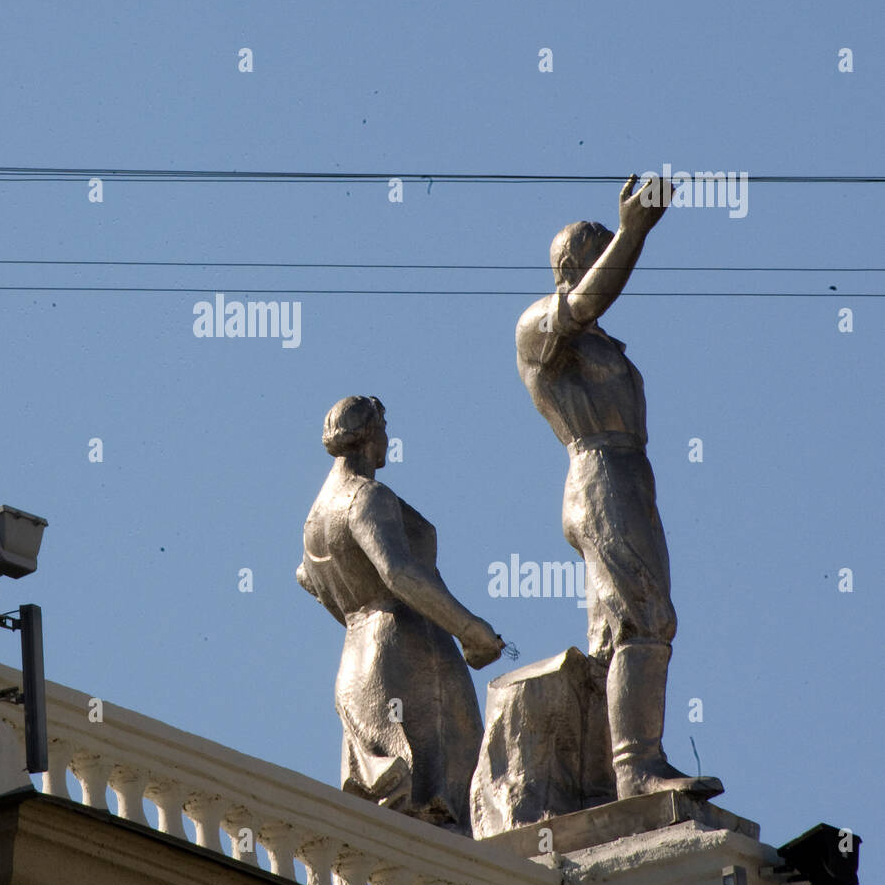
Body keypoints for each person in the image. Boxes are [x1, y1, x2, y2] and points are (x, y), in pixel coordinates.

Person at [515, 175, 722, 799]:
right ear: (575, 267)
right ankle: (637, 766)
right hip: (599, 474)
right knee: (643, 615)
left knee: (623, 623)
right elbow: (583, 305)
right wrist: (634, 231)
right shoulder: (540, 327)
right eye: (604, 257)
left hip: (627, 476)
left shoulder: (600, 341)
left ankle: (611, 770)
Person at [297, 395, 505, 833]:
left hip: (357, 666)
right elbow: (398, 572)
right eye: (385, 430)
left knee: (396, 814)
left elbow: (307, 579)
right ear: (371, 435)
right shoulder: (366, 497)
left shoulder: (314, 518)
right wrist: (470, 629)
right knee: (442, 807)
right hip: (408, 654)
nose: (388, 440)